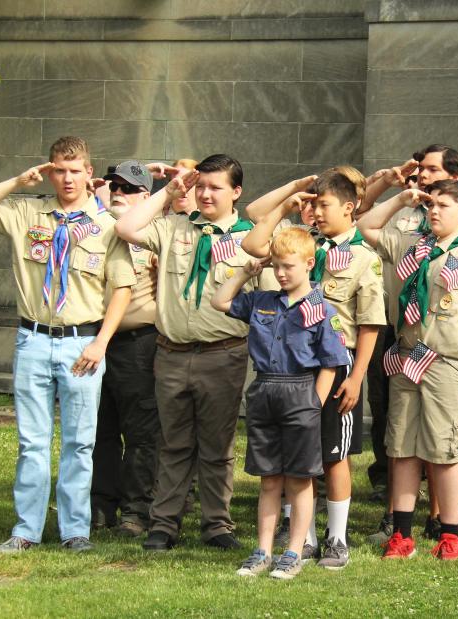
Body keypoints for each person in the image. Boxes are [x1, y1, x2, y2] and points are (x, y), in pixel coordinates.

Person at [0, 136, 135, 553]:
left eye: (76, 170)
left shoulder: (107, 224)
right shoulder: (26, 213)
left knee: (80, 442)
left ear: (89, 173)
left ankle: (76, 530)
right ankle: (26, 529)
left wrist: (101, 343)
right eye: (59, 170)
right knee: (32, 441)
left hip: (82, 343)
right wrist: (16, 183)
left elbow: (122, 289)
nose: (68, 178)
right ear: (50, 171)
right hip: (34, 340)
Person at [115, 154, 264, 550]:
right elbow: (126, 226)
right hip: (172, 354)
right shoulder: (174, 226)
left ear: (236, 192)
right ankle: (164, 523)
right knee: (174, 443)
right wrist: (168, 192)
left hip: (223, 354)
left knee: (217, 446)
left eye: (216, 187)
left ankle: (217, 525)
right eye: (202, 186)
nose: (206, 194)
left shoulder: (249, 239)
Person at [242, 167, 386, 569]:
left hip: (336, 369)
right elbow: (255, 242)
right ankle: (298, 535)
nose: (317, 212)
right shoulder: (303, 246)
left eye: (324, 205)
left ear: (349, 207)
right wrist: (290, 197)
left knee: (334, 454)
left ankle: (336, 537)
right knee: (292, 453)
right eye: (314, 205)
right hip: (294, 372)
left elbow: (370, 322)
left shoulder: (363, 258)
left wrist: (356, 377)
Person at [359, 179, 458, 560]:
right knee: (402, 446)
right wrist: (401, 199)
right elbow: (365, 227)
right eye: (430, 205)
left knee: (444, 449)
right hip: (406, 357)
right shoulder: (413, 248)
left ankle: (449, 534)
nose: (433, 211)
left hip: (446, 363)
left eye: (443, 205)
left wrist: (451, 341)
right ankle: (402, 534)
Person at [211, 226, 349, 580]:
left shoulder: (320, 309)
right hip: (265, 391)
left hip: (300, 390)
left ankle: (293, 551)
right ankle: (263, 550)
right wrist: (245, 273)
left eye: (288, 266)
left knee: (299, 479)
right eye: (276, 266)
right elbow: (220, 301)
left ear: (309, 263)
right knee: (269, 478)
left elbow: (331, 362)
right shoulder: (263, 301)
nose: (281, 273)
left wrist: (313, 405)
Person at [90, 161, 162, 537]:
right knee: (98, 429)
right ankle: (101, 506)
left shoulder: (154, 235)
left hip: (138, 345)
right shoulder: (96, 229)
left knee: (140, 434)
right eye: (114, 186)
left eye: (129, 188)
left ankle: (137, 511)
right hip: (92, 340)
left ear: (146, 197)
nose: (119, 192)